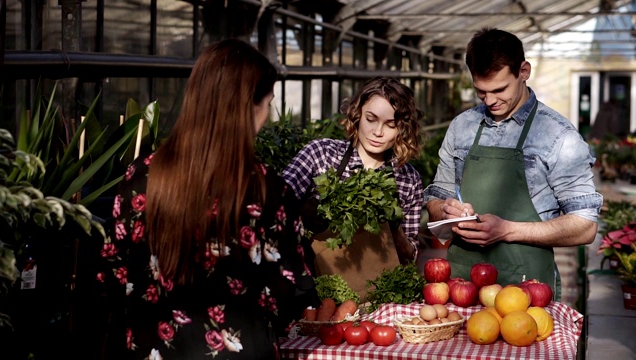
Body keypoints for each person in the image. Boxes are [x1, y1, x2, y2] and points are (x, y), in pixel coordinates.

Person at [96, 39, 317, 360]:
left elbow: (111, 271)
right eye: (267, 103)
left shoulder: (142, 175)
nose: (267, 116)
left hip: (153, 348)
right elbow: (289, 282)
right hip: (241, 350)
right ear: (248, 106)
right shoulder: (267, 188)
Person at [424, 28, 603, 298]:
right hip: (460, 285)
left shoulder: (557, 136)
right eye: (481, 92)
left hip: (527, 291)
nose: (491, 100)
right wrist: (445, 210)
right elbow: (436, 198)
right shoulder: (462, 127)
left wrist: (507, 230)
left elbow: (585, 226)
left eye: (499, 89)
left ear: (524, 71)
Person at [282, 76, 425, 264]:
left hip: (374, 286)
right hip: (313, 279)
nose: (378, 132)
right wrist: (304, 213)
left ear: (403, 128)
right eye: (371, 119)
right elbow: (276, 206)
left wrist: (393, 228)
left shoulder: (408, 179)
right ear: (357, 114)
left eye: (391, 125)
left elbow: (410, 256)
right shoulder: (321, 154)